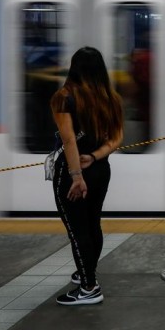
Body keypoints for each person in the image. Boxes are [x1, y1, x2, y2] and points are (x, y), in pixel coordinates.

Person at [50, 47, 124, 306]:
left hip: (73, 172)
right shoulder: (110, 97)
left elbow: (69, 140)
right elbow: (117, 138)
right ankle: (86, 270)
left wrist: (76, 175)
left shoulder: (63, 97)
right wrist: (94, 157)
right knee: (93, 224)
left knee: (77, 229)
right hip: (101, 169)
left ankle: (89, 287)